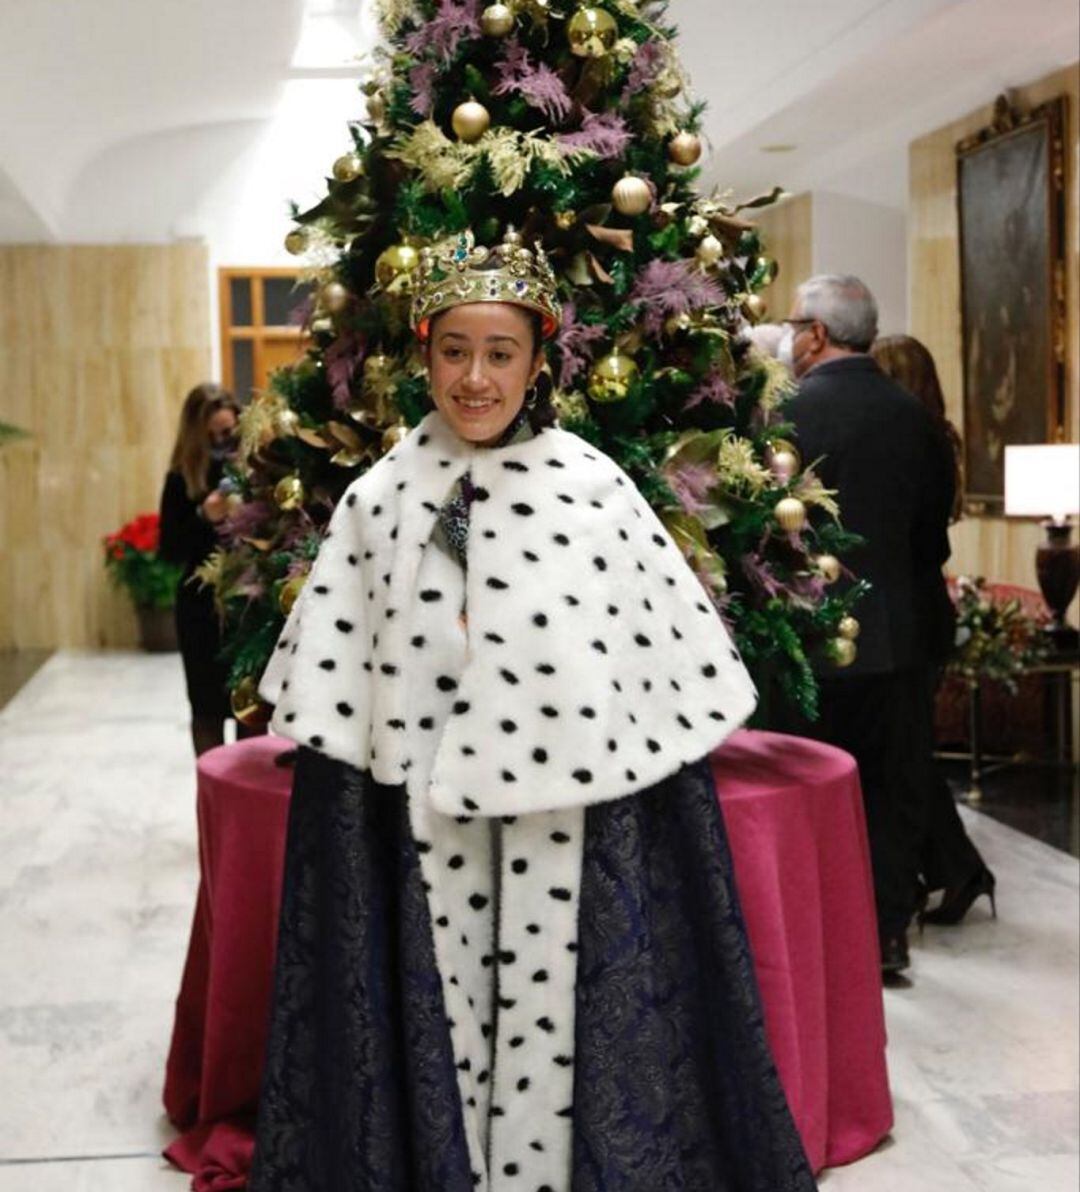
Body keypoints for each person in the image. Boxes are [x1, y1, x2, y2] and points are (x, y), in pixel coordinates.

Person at [248, 230, 817, 1191]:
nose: (476, 378)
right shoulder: (376, 503)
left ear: (536, 363)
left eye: (500, 353)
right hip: (419, 847)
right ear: (424, 354)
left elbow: (650, 688)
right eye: (454, 351)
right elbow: (341, 711)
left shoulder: (596, 492)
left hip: (577, 844)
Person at [782, 276, 955, 977]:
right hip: (900, 635)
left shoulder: (784, 413)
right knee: (892, 789)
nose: (791, 339)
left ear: (818, 334)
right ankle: (885, 935)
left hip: (807, 635)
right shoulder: (914, 417)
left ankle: (814, 932)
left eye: (795, 326)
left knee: (808, 788)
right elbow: (931, 534)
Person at [870, 335, 996, 924]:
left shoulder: (915, 439)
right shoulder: (932, 435)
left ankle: (957, 868)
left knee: (906, 758)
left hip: (914, 613)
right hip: (923, 609)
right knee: (906, 756)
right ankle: (951, 869)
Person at [158, 382, 241, 757]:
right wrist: (203, 516)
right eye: (214, 437)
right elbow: (170, 549)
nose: (223, 442)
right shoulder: (180, 478)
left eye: (229, 432)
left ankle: (246, 811)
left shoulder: (255, 468)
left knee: (249, 710)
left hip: (245, 607)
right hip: (200, 610)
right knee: (207, 712)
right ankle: (214, 806)